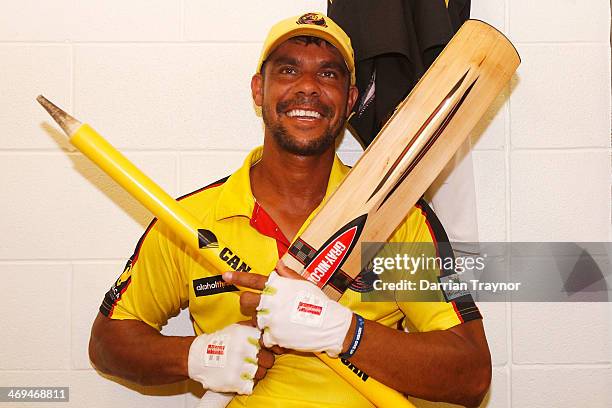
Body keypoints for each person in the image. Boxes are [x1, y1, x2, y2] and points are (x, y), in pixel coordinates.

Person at [89, 12, 491, 408]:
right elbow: (108, 342)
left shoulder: (398, 217)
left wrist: (343, 332)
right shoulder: (193, 218)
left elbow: (471, 375)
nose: (308, 88)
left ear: (351, 100)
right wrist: (196, 355)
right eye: (287, 71)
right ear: (257, 89)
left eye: (329, 75)